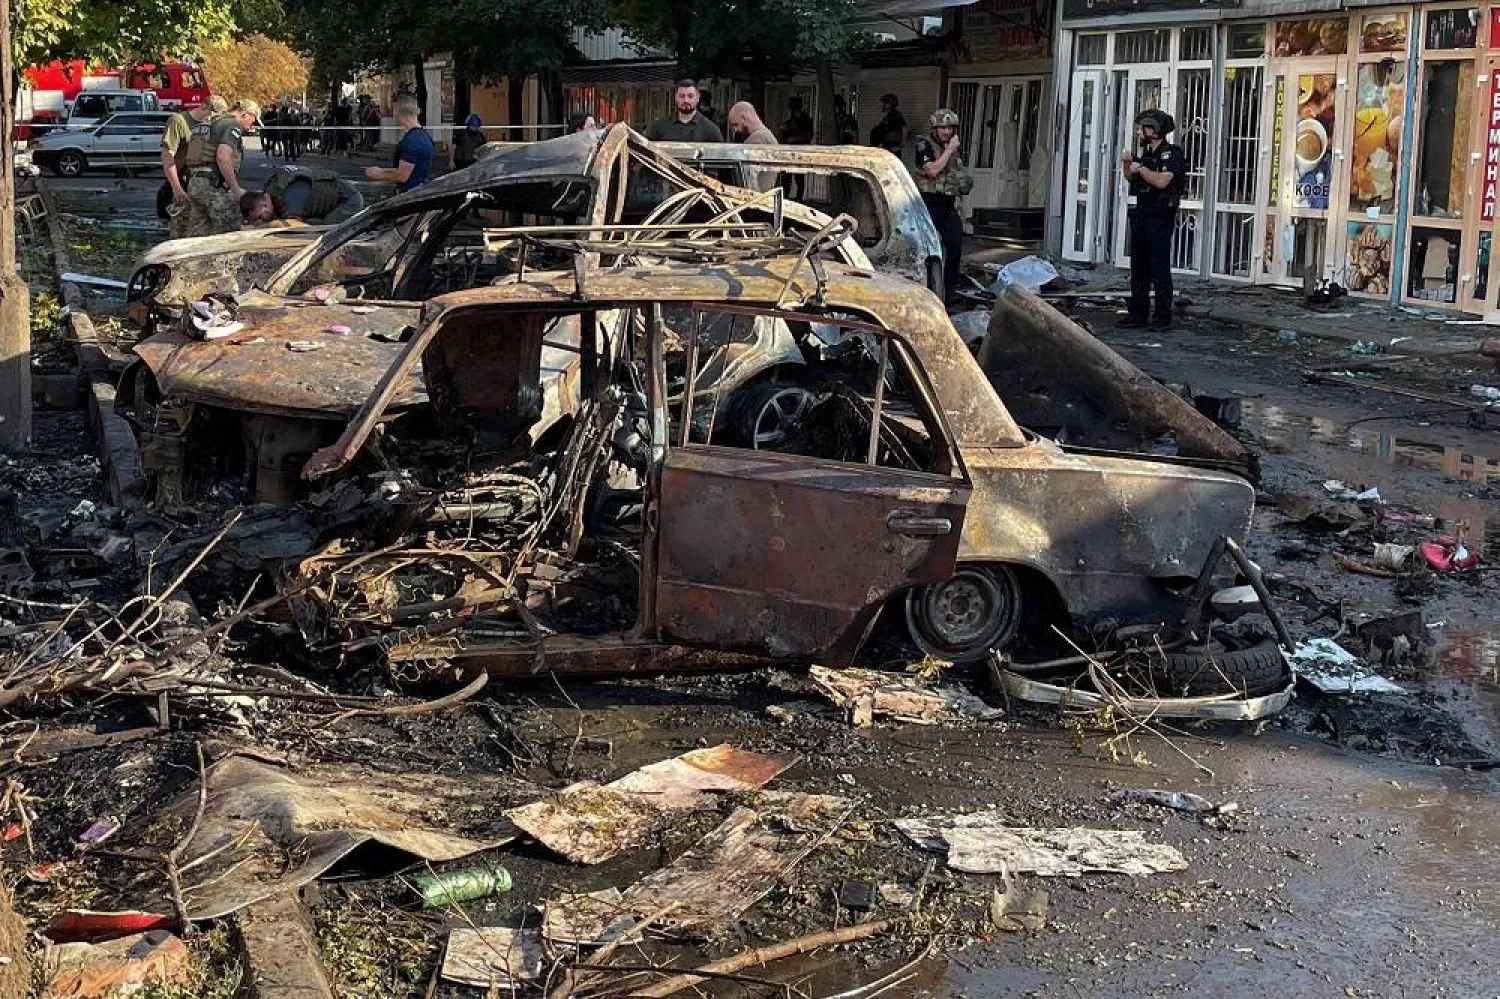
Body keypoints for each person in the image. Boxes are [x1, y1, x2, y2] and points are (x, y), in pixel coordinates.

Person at [1119, 108, 1186, 331]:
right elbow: (1133, 178)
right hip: (1143, 214)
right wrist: (1128, 164)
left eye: (1142, 128)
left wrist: (1143, 169)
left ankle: (1162, 317)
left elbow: (1162, 181)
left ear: (1154, 130)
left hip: (1160, 216)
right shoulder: (1147, 154)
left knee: (1159, 269)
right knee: (1139, 269)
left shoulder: (1171, 154)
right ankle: (1137, 314)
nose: (1138, 132)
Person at [914, 108, 973, 306]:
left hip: (947, 204)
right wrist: (948, 151)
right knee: (927, 250)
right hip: (928, 203)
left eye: (950, 128)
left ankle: (949, 293)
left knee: (955, 248)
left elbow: (956, 174)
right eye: (943, 128)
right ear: (935, 129)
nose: (947, 132)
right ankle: (925, 290)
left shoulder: (953, 148)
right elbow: (931, 170)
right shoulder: (924, 144)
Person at [182, 99, 261, 237]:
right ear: (245, 114)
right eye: (252, 121)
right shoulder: (232, 125)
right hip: (212, 186)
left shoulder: (211, 121)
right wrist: (236, 189)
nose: (251, 126)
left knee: (197, 236)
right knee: (228, 233)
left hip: (195, 183)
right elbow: (223, 156)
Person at [160, 94, 228, 240]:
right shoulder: (178, 121)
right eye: (214, 116)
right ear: (206, 109)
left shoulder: (209, 125)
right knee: (180, 229)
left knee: (198, 228)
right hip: (180, 181)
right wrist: (176, 187)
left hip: (197, 181)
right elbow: (167, 156)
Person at [240, 164, 365, 226]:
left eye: (260, 217)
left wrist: (270, 225)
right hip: (330, 197)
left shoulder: (289, 201)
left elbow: (294, 225)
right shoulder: (271, 188)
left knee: (319, 233)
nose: (261, 221)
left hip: (348, 200)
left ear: (265, 201)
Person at [365, 94, 433, 192]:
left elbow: (402, 175)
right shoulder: (425, 136)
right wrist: (383, 171)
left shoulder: (412, 141)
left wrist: (379, 174)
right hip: (418, 191)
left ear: (400, 113)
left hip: (409, 196)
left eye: (394, 111)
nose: (394, 116)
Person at [645, 80, 723, 142]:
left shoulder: (711, 130)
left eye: (690, 96)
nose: (686, 100)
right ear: (675, 98)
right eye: (682, 96)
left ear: (698, 98)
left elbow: (719, 159)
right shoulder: (659, 127)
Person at [726, 101, 777, 193]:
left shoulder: (758, 139)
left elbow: (749, 178)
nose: (736, 130)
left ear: (744, 117)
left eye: (736, 124)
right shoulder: (765, 136)